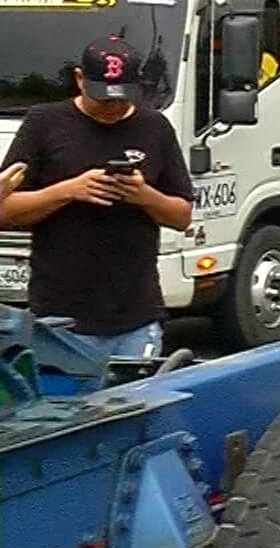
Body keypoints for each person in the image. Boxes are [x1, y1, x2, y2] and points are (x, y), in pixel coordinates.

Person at [0, 37, 193, 358]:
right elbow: (5, 210)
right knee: (63, 407)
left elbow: (182, 215)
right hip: (59, 317)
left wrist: (144, 195)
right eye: (102, 99)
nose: (112, 108)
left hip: (136, 314)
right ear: (79, 79)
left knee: (135, 404)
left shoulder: (154, 126)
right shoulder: (43, 123)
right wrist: (68, 191)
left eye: (121, 100)